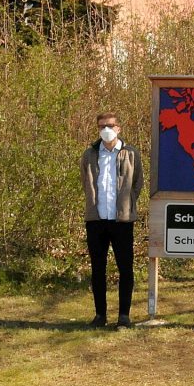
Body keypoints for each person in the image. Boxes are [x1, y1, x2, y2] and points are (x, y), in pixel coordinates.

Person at [80, 112, 144, 328]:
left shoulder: (131, 153)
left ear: (118, 128)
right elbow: (86, 182)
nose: (105, 129)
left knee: (125, 268)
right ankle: (100, 315)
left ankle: (124, 316)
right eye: (101, 126)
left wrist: (128, 204)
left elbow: (137, 183)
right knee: (98, 268)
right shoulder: (90, 154)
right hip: (96, 219)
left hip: (122, 221)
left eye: (109, 125)